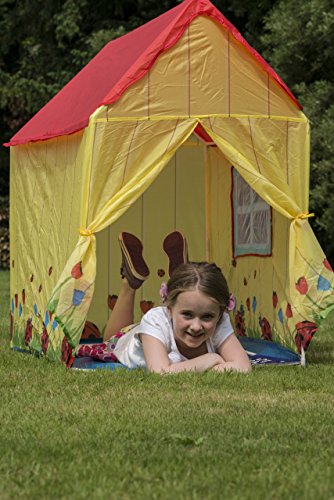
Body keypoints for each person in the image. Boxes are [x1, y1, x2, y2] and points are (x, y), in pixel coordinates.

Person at [103, 231, 251, 374]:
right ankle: (130, 283)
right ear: (169, 309)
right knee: (108, 341)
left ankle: (181, 275)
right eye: (187, 315)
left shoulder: (219, 321)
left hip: (168, 319)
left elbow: (243, 367)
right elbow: (160, 372)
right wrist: (210, 359)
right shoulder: (155, 320)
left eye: (207, 317)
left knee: (187, 295)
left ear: (219, 314)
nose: (196, 326)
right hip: (127, 337)